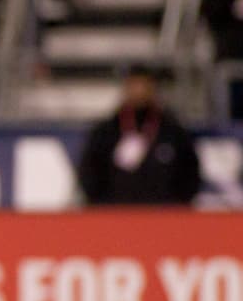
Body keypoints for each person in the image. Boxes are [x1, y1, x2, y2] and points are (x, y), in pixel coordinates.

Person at [76, 66, 201, 205]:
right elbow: (90, 173)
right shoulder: (106, 132)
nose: (140, 91)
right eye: (135, 86)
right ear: (126, 89)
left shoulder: (173, 132)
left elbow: (190, 174)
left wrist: (177, 206)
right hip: (116, 212)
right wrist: (103, 206)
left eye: (145, 86)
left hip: (163, 212)